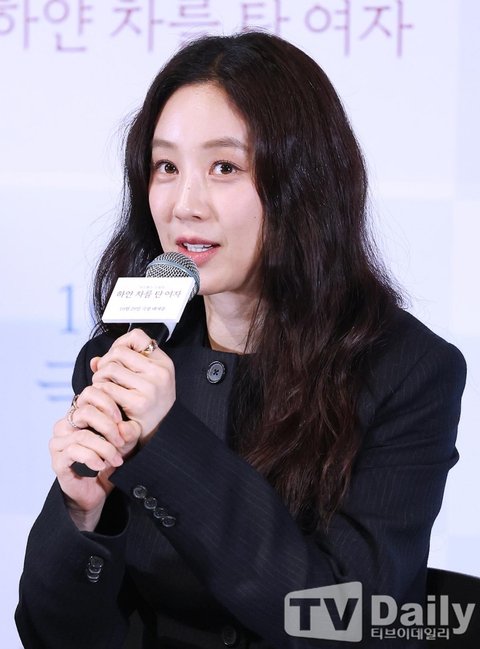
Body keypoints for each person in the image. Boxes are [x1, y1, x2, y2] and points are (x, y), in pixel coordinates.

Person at [15, 31, 466, 648]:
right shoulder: (124, 356)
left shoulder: (406, 371)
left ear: (304, 181)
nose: (185, 205)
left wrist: (167, 442)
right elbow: (53, 636)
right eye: (166, 167)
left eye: (224, 168)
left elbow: (346, 622)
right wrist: (80, 515)